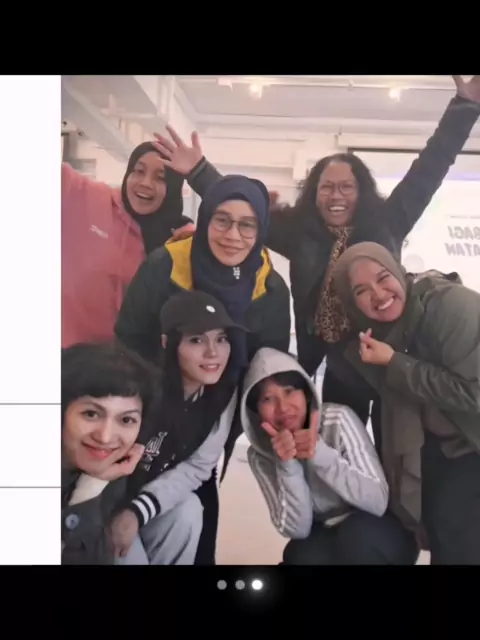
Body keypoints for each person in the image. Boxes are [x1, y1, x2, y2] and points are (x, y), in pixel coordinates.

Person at [152, 75, 480, 452]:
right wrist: (198, 171)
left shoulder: (388, 222)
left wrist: (465, 106)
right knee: (330, 445)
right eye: (326, 187)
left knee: (394, 450)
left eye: (346, 187)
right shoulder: (300, 232)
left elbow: (430, 168)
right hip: (331, 360)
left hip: (385, 356)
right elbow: (244, 209)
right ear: (314, 191)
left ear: (361, 191)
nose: (335, 196)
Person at [115, 174, 291, 564]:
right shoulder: (166, 265)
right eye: (222, 220)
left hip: (214, 412)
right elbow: (129, 336)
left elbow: (268, 367)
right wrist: (154, 395)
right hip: (143, 408)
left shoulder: (271, 287)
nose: (233, 235)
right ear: (206, 217)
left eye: (247, 225)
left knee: (193, 508)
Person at [332, 241, 480, 564]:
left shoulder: (450, 306)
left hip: (471, 444)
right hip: (433, 449)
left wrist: (395, 363)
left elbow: (475, 393)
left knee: (457, 531)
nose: (378, 294)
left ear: (398, 271)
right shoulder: (371, 338)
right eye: (361, 291)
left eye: (383, 277)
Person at [241, 346, 418, 564]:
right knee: (300, 556)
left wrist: (319, 454)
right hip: (324, 530)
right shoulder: (260, 456)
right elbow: (297, 529)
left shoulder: (337, 419)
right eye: (268, 399)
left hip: (375, 528)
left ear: (306, 393)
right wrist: (287, 466)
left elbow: (378, 501)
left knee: (357, 537)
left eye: (289, 391)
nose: (283, 407)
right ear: (255, 411)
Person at [110, 290, 240, 565]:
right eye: (197, 340)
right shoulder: (138, 389)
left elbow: (197, 467)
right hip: (102, 503)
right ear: (167, 343)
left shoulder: (222, 396)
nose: (213, 352)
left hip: (141, 504)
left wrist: (137, 511)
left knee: (188, 509)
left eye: (221, 339)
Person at [62, 141, 194, 347]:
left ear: (174, 187)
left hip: (135, 362)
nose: (145, 183)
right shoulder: (91, 198)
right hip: (68, 357)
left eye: (160, 178)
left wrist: (200, 173)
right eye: (138, 171)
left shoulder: (182, 240)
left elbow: (233, 214)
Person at [61, 342, 157, 564]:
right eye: (91, 414)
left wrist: (94, 483)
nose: (105, 437)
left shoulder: (111, 474)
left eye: (126, 420)